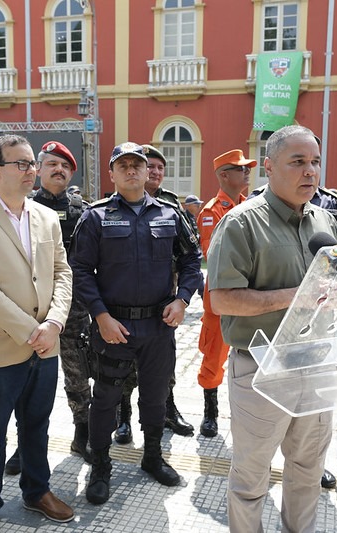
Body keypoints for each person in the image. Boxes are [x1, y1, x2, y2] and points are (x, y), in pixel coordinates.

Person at [207, 125, 337, 532]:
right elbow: (222, 300)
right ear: (269, 167)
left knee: (308, 469)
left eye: (315, 162)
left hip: (316, 362)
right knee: (251, 475)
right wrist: (296, 295)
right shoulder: (240, 223)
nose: (310, 172)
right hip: (260, 366)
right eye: (297, 162)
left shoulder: (325, 220)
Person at [0, 134, 74, 531]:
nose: (31, 171)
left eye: (31, 164)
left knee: (37, 425)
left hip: (46, 343)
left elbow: (61, 272)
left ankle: (37, 490)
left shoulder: (45, 216)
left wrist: (53, 323)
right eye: (21, 164)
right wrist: (30, 330)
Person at [69, 142, 202, 505]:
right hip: (114, 327)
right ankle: (100, 465)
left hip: (159, 327)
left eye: (137, 165)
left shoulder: (170, 214)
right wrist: (100, 315)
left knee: (156, 396)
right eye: (122, 165)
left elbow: (193, 261)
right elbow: (80, 270)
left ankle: (153, 456)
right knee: (106, 398)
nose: (131, 170)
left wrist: (183, 299)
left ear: (148, 172)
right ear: (111, 173)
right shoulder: (95, 217)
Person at [109, 144, 199, 445]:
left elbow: (191, 255)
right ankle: (123, 420)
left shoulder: (170, 207)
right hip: (123, 306)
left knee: (161, 373)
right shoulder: (108, 211)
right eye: (153, 167)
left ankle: (166, 412)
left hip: (163, 302)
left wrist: (183, 298)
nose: (156, 172)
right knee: (123, 374)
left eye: (160, 168)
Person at [30, 140, 93, 462]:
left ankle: (82, 433)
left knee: (78, 374)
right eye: (52, 164)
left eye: (65, 166)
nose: (59, 170)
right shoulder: (23, 209)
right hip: (32, 308)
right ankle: (28, 443)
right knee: (29, 380)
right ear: (38, 169)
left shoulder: (84, 212)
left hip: (75, 309)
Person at [195, 149, 255, 440]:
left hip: (249, 297)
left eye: (247, 168)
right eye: (240, 169)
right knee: (214, 356)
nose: (247, 173)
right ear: (223, 175)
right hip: (220, 299)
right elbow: (212, 253)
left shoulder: (252, 207)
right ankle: (210, 413)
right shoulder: (211, 212)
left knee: (251, 357)